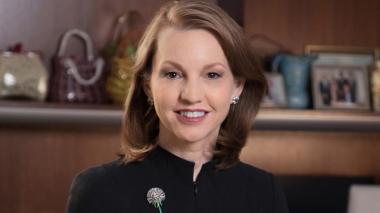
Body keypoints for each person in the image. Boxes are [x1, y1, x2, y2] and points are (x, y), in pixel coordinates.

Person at [65, 1, 288, 213]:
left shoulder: (265, 193)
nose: (191, 95)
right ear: (148, 86)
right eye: (173, 74)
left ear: (237, 87)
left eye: (212, 74)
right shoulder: (99, 190)